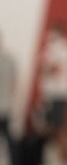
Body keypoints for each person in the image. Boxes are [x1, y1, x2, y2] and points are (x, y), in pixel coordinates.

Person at [36, 20, 67, 165]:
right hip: (55, 95)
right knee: (54, 127)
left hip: (59, 95)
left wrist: (44, 66)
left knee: (60, 128)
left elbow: (52, 68)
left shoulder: (63, 48)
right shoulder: (58, 48)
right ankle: (63, 158)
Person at [0, 29, 15, 165]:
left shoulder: (8, 59)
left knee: (7, 137)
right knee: (7, 137)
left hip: (3, 106)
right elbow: (14, 84)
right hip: (6, 105)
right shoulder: (10, 59)